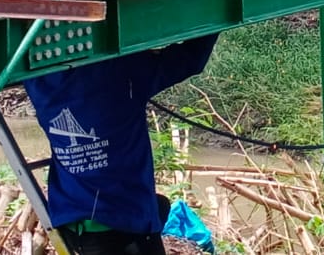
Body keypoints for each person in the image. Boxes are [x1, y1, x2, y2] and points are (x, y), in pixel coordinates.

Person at [23, 35, 219, 255]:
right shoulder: (123, 73)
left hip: (69, 218)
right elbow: (191, 57)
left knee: (160, 206)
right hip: (119, 223)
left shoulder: (38, 82)